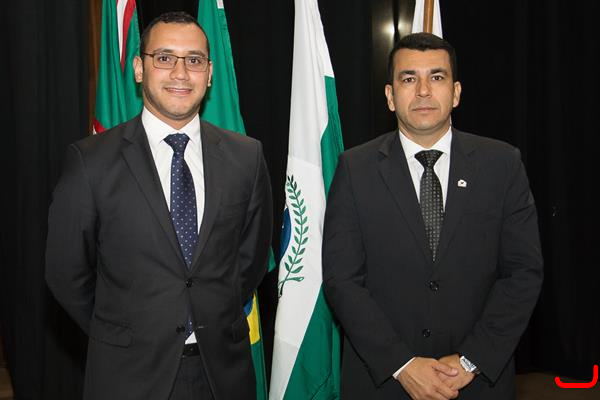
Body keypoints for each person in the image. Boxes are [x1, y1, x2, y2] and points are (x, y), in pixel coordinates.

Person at [45, 11, 272, 400]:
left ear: (209, 73)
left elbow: (249, 263)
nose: (180, 73)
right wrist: (121, 332)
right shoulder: (90, 161)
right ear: (139, 68)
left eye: (194, 60)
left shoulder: (246, 157)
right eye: (165, 57)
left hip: (223, 374)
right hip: (128, 376)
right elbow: (66, 273)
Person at [322, 32, 543, 399]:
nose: (423, 90)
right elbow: (341, 280)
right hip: (385, 382)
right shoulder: (354, 168)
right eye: (409, 79)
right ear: (390, 96)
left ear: (455, 93)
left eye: (436, 77)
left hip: (477, 383)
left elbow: (523, 272)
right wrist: (402, 364)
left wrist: (470, 361)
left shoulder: (502, 164)